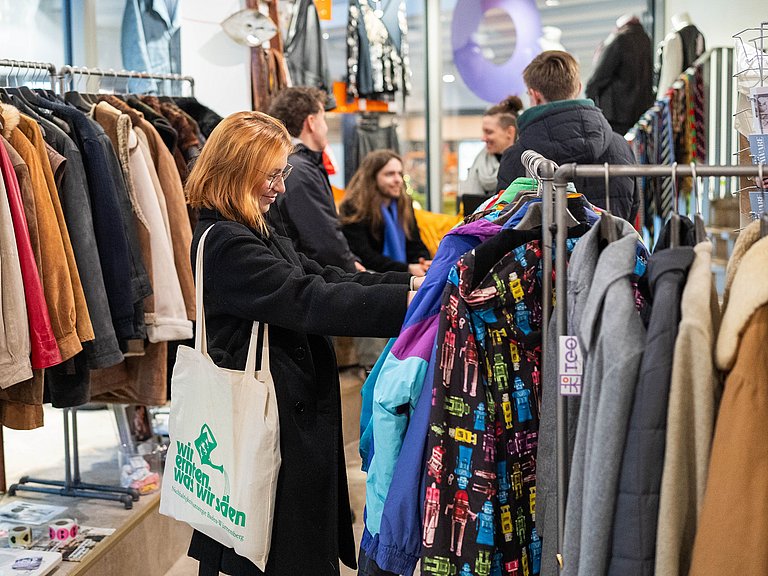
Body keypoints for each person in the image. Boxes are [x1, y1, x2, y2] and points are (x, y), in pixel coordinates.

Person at [184, 111, 421, 575]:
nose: (282, 187)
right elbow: (307, 299)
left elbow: (322, 275)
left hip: (283, 417)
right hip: (264, 421)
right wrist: (410, 305)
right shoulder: (224, 243)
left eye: (282, 173)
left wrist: (413, 290)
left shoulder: (254, 228)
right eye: (272, 175)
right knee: (267, 548)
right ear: (238, 172)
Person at [496, 50, 639, 221]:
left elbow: (502, 221)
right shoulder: (620, 146)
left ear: (535, 95)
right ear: (578, 88)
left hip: (546, 247)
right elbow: (632, 213)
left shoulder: (517, 157)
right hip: (612, 247)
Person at [266, 86, 363, 272]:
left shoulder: (296, 164)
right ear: (311, 122)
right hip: (313, 278)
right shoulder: (299, 170)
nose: (325, 127)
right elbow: (324, 241)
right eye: (323, 119)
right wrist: (353, 272)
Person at [340, 149, 432, 276]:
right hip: (372, 279)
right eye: (390, 174)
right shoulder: (353, 207)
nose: (398, 180)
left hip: (404, 274)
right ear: (372, 177)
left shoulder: (404, 204)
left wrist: (423, 261)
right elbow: (366, 257)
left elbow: (415, 243)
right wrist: (407, 268)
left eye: (400, 173)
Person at [585, 14, 654, 136]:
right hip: (639, 113)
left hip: (616, 115)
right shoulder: (646, 40)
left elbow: (599, 76)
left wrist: (589, 99)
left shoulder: (619, 39)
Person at [462, 95, 523, 197]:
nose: (483, 138)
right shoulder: (479, 162)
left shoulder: (524, 166)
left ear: (509, 132)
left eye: (489, 132)